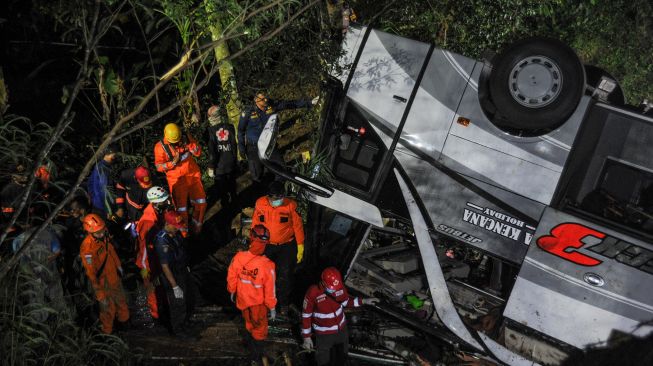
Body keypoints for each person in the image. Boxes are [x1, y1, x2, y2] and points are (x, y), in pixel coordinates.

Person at [301, 267, 379, 365]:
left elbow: (346, 301)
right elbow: (306, 315)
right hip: (324, 335)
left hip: (341, 331)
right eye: (331, 289)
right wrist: (306, 337)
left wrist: (364, 301)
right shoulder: (313, 292)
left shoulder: (339, 286)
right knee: (324, 361)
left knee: (342, 358)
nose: (334, 291)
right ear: (323, 283)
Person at [238, 91, 318, 183]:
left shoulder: (272, 105)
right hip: (253, 146)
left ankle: (278, 188)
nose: (266, 100)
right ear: (256, 100)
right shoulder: (248, 112)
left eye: (266, 97)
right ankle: (262, 190)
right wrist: (241, 148)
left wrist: (310, 102)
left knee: (280, 168)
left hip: (268, 144)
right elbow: (241, 131)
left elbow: (289, 104)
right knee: (256, 174)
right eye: (263, 99)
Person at [251, 181, 304, 317]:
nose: (278, 201)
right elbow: (256, 224)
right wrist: (254, 244)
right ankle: (266, 302)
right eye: (275, 199)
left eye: (280, 198)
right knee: (266, 275)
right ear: (268, 197)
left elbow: (298, 226)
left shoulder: (290, 206)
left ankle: (284, 304)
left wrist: (300, 245)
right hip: (267, 245)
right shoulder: (260, 204)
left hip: (286, 246)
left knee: (285, 275)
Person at [227, 224, 277, 365]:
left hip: (242, 300)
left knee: (248, 324)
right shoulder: (268, 265)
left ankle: (252, 351)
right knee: (259, 330)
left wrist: (232, 290)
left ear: (251, 238)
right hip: (258, 305)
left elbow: (232, 275)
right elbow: (270, 289)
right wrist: (272, 307)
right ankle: (256, 356)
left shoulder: (239, 257)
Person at [79, 213, 129, 334]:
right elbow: (90, 273)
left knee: (122, 302)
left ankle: (124, 326)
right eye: (98, 232)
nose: (101, 233)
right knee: (108, 310)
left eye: (102, 230)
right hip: (103, 283)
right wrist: (100, 294)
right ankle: (107, 335)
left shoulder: (103, 235)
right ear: (89, 232)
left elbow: (110, 251)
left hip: (114, 278)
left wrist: (119, 266)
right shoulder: (87, 249)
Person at [154, 123, 206, 235]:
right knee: (181, 210)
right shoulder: (160, 147)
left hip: (192, 176)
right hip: (176, 181)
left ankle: (197, 228)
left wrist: (191, 146)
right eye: (174, 142)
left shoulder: (186, 138)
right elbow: (158, 166)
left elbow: (198, 153)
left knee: (201, 202)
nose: (177, 143)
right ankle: (184, 234)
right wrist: (172, 163)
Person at [136, 186, 172, 320]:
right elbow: (143, 248)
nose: (167, 202)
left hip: (156, 257)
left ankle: (163, 308)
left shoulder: (157, 214)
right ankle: (156, 315)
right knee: (152, 288)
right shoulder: (148, 222)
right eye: (164, 201)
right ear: (155, 203)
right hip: (148, 262)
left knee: (161, 286)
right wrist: (146, 268)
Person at [153, 210, 190, 335]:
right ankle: (178, 329)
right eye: (176, 227)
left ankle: (184, 322)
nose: (178, 229)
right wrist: (174, 286)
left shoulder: (175, 234)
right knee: (177, 302)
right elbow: (165, 266)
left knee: (184, 298)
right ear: (168, 224)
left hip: (180, 270)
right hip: (172, 274)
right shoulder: (162, 241)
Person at [206, 105, 238, 209]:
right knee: (232, 186)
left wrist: (211, 166)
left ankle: (226, 209)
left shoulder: (211, 131)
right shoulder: (230, 127)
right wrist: (235, 160)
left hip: (220, 166)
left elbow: (212, 152)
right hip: (231, 162)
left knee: (222, 190)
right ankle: (235, 204)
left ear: (211, 116)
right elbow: (234, 145)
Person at [88, 145, 121, 219]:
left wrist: (92, 197)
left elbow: (90, 182)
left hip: (96, 203)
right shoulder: (104, 169)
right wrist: (108, 211)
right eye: (115, 154)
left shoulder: (99, 164)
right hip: (102, 207)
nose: (115, 157)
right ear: (112, 154)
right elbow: (105, 191)